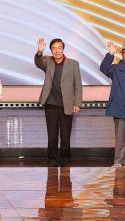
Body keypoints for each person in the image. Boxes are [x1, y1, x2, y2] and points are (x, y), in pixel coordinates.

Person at [34, 37, 83, 165]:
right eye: (54, 48)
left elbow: (78, 85)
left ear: (63, 49)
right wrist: (39, 52)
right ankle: (52, 160)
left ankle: (65, 159)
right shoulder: (47, 61)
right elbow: (38, 62)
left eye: (59, 48)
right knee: (52, 135)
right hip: (51, 104)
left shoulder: (73, 64)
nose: (57, 51)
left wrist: (77, 103)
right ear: (51, 50)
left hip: (67, 105)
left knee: (65, 136)